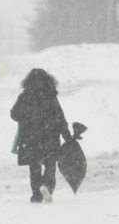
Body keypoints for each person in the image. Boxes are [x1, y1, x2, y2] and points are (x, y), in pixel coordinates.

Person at [10, 68, 73, 203]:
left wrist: (26, 118)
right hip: (50, 136)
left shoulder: (25, 96)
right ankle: (46, 186)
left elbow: (14, 114)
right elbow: (60, 117)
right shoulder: (51, 96)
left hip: (30, 138)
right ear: (48, 80)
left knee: (34, 167)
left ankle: (36, 195)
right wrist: (67, 135)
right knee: (50, 165)